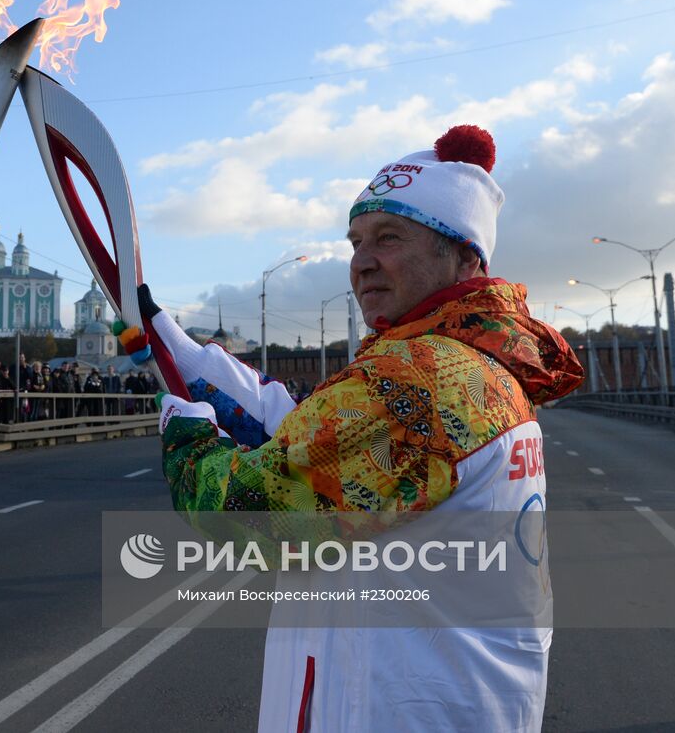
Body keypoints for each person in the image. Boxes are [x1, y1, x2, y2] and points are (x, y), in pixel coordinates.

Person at [128, 125, 583, 731]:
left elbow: (247, 512)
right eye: (356, 241)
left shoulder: (427, 379)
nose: (362, 263)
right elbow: (304, 431)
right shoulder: (465, 366)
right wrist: (180, 354)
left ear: (466, 256)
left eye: (389, 238)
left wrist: (186, 430)